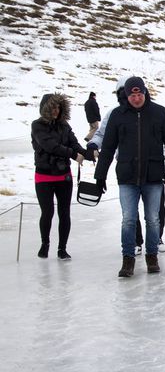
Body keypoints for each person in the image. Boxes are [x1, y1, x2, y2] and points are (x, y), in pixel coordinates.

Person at [94, 77, 165, 277]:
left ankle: (152, 257)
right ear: (126, 95)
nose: (136, 98)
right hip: (127, 176)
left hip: (153, 176)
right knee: (128, 219)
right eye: (132, 95)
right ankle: (128, 260)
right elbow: (107, 148)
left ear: (145, 93)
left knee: (152, 219)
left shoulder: (160, 113)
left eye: (139, 94)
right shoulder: (117, 115)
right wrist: (100, 176)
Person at [31, 93, 90, 260]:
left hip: (64, 176)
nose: (56, 111)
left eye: (58, 107)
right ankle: (45, 244)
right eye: (53, 107)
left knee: (64, 213)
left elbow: (74, 143)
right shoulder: (37, 126)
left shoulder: (64, 125)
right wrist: (73, 154)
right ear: (46, 109)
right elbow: (50, 146)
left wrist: (86, 153)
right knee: (47, 212)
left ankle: (62, 248)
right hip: (44, 175)